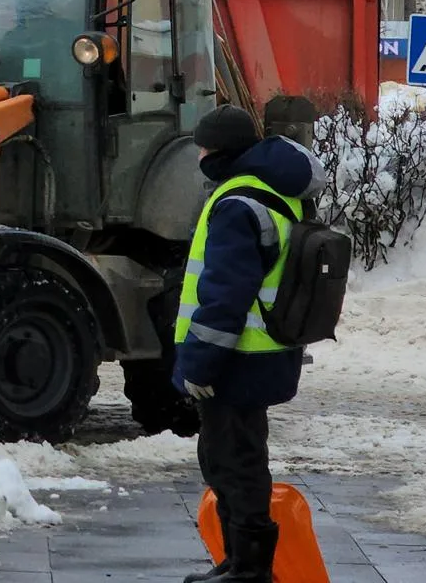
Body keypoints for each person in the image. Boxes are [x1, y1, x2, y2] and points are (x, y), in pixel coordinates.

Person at [175, 105, 324, 583]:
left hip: (235, 359)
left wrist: (198, 364)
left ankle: (249, 570)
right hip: (263, 353)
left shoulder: (237, 202)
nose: (199, 155)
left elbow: (224, 296)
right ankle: (238, 563)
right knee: (237, 459)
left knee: (234, 464)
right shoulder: (274, 193)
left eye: (203, 147)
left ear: (218, 151)